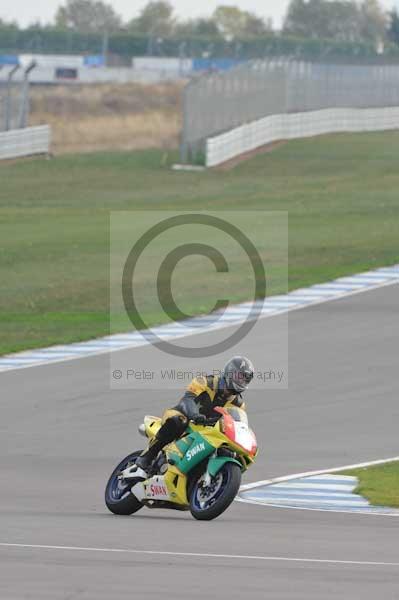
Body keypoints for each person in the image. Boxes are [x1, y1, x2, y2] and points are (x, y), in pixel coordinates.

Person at [135, 356, 255, 474]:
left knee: (227, 449)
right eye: (239, 376)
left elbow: (237, 425)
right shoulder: (205, 382)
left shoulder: (239, 404)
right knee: (178, 421)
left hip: (208, 431)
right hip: (185, 416)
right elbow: (187, 400)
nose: (241, 381)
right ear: (229, 372)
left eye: (245, 379)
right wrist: (194, 415)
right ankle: (146, 458)